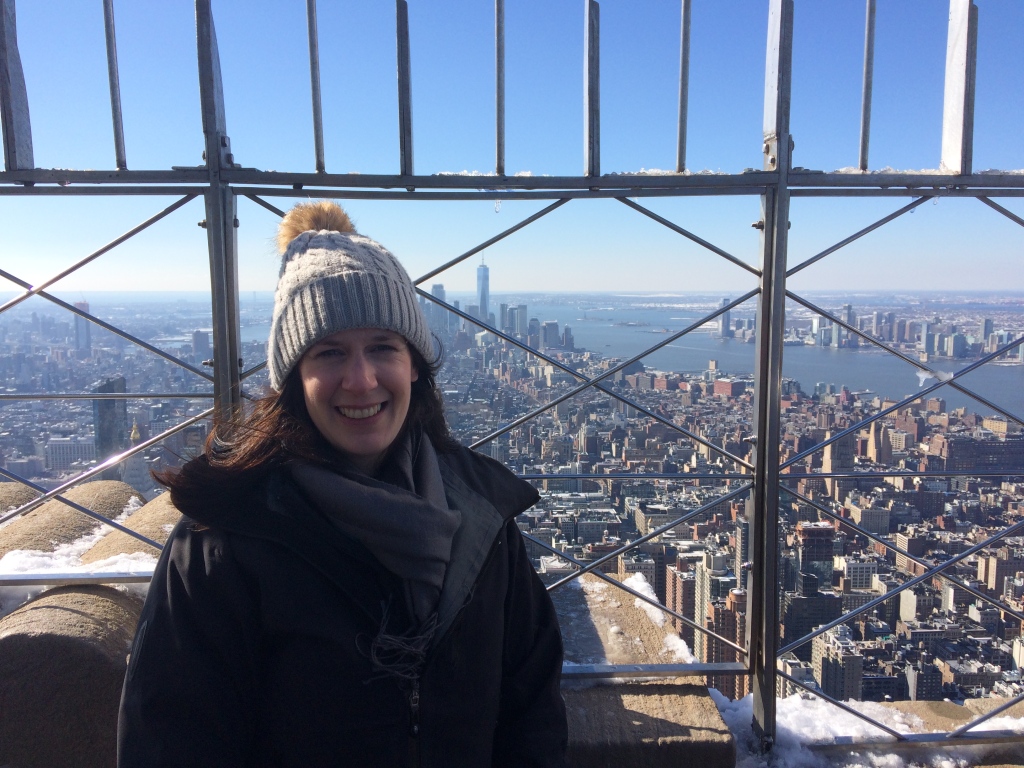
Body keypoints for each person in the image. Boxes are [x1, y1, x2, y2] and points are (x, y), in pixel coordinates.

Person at [117, 202, 568, 767]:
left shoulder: (483, 517)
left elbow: (532, 710)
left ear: (416, 366)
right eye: (330, 353)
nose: (360, 380)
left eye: (383, 347)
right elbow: (174, 740)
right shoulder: (222, 541)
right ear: (293, 379)